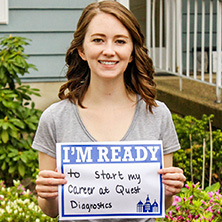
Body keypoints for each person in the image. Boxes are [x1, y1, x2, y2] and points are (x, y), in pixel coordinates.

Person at [33, 1, 186, 221]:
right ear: (82, 51)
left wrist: (170, 189)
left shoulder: (157, 114)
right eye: (98, 40)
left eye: (120, 41)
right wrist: (47, 195)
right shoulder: (55, 119)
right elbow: (51, 210)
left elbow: (161, 202)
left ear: (132, 52)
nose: (109, 51)